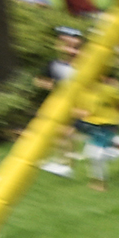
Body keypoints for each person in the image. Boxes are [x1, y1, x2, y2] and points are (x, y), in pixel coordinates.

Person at [72, 53, 119, 188]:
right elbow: (75, 108)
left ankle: (100, 184)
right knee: (90, 153)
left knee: (95, 154)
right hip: (92, 125)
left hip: (108, 124)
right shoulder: (80, 91)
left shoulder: (108, 90)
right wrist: (80, 113)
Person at [36, 26, 83, 177]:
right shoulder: (54, 64)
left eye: (75, 47)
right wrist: (50, 85)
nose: (70, 50)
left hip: (76, 104)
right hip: (58, 103)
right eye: (66, 45)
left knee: (66, 132)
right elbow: (39, 80)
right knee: (60, 132)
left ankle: (68, 164)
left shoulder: (81, 67)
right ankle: (64, 162)